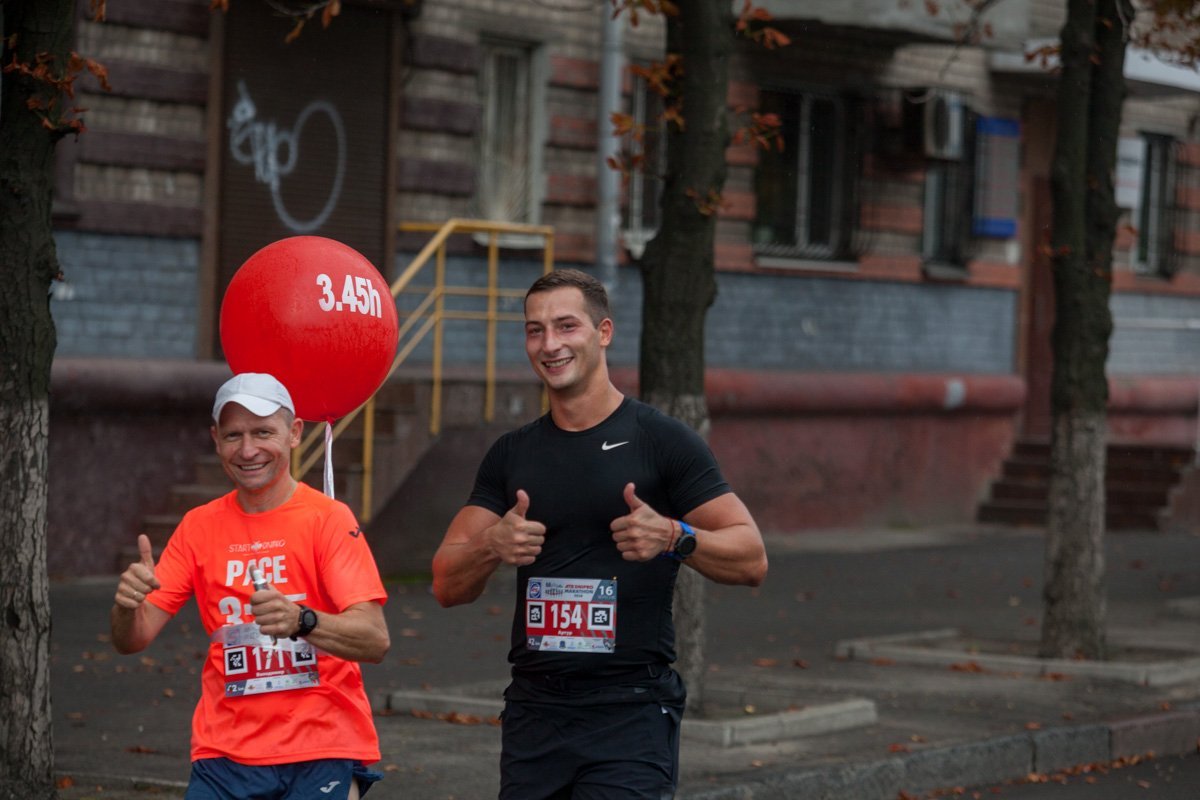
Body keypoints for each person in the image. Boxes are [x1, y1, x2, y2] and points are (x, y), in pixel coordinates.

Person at [431, 268, 768, 799]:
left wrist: (676, 535)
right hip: (535, 711)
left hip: (629, 711)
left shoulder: (661, 441)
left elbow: (751, 558)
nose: (549, 344)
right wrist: (490, 546)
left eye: (566, 326)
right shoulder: (512, 454)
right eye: (534, 330)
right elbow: (447, 583)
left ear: (603, 332)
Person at [110, 372, 391, 800]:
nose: (248, 450)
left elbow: (374, 639)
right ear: (215, 440)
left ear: (295, 433)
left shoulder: (328, 519)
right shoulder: (198, 526)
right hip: (225, 754)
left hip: (321, 746)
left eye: (263, 432)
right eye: (233, 436)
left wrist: (302, 620)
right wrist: (127, 606)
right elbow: (134, 638)